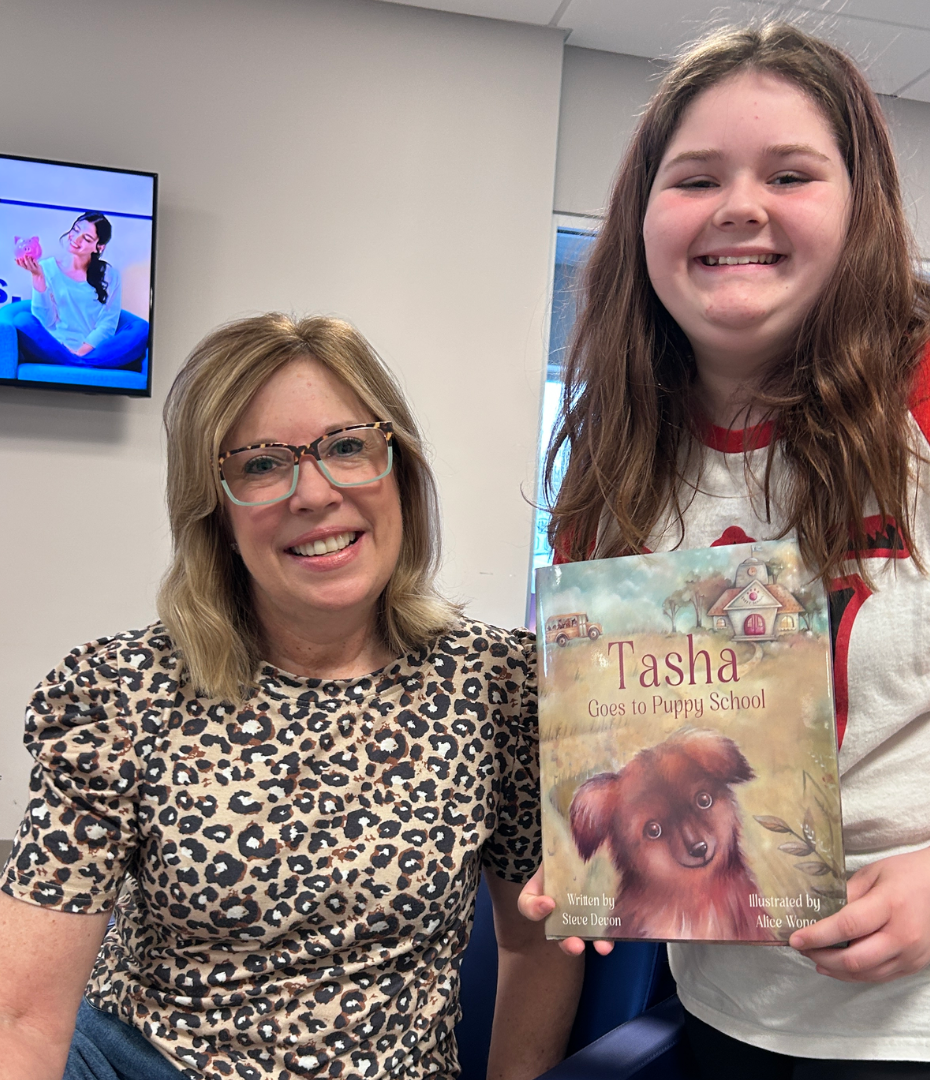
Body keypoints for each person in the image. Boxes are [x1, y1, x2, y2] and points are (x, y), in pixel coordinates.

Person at [519, 22, 930, 1080]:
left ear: (859, 209)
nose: (740, 204)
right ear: (644, 220)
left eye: (789, 173)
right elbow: (631, 722)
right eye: (695, 178)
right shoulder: (617, 453)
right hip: (724, 994)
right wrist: (592, 859)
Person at [0, 313, 582, 1080]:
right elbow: (23, 1018)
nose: (316, 492)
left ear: (398, 469)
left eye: (348, 446)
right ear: (215, 509)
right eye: (263, 464)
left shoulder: (499, 685)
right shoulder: (116, 694)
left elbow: (533, 941)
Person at [4, 212, 149, 369]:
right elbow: (44, 321)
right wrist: (38, 278)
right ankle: (81, 365)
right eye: (76, 229)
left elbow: (107, 324)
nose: (76, 238)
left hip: (95, 352)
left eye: (87, 238)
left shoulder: (110, 275)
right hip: (54, 349)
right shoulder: (46, 268)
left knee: (141, 328)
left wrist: (81, 353)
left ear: (99, 247)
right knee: (22, 321)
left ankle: (77, 363)